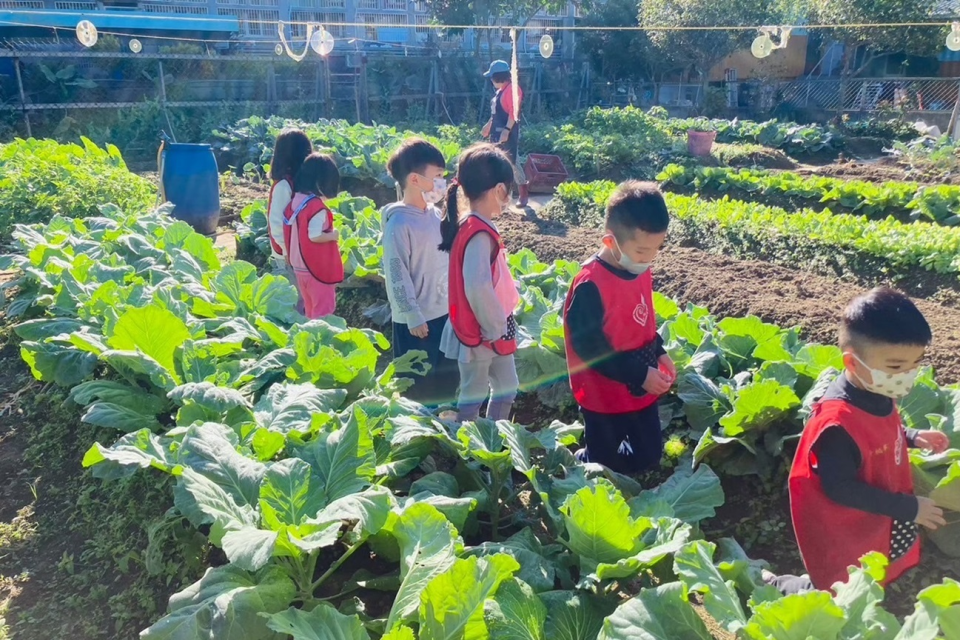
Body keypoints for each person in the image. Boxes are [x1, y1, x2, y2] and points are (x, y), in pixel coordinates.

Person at [786, 287, 949, 592]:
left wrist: (913, 437)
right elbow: (840, 489)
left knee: (871, 573)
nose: (909, 374)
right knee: (842, 584)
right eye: (897, 367)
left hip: (878, 514)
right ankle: (787, 587)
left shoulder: (876, 389)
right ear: (852, 363)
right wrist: (908, 507)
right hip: (847, 524)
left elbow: (879, 432)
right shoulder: (835, 425)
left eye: (916, 363)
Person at [562, 181, 674, 475]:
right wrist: (640, 373)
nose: (648, 259)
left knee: (649, 456)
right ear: (610, 242)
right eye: (641, 251)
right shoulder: (589, 285)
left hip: (641, 385)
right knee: (603, 469)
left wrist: (660, 353)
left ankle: (618, 457)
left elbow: (644, 321)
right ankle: (585, 458)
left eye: (655, 250)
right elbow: (589, 348)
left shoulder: (640, 270)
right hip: (603, 394)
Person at [438, 143, 520, 422]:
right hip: (483, 330)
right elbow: (477, 286)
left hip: (490, 326)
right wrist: (494, 326)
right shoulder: (478, 231)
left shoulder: (473, 225)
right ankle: (469, 449)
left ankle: (494, 437)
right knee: (474, 393)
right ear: (499, 190)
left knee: (507, 387)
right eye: (508, 189)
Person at [381, 138, 460, 408]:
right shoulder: (399, 223)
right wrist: (412, 314)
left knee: (445, 379)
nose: (442, 183)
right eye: (437, 176)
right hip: (416, 323)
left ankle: (443, 430)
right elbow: (396, 272)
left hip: (442, 314)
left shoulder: (435, 215)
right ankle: (417, 436)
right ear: (415, 179)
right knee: (418, 385)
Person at [282, 152, 343, 319]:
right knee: (324, 313)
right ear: (321, 182)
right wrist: (333, 235)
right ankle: (322, 342)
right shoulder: (317, 207)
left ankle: (308, 341)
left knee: (309, 310)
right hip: (317, 270)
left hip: (300, 268)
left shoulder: (297, 200)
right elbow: (314, 236)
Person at [267, 128, 313, 313]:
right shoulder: (284, 187)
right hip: (287, 259)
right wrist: (288, 251)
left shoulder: (299, 184)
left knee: (304, 302)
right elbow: (276, 224)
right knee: (295, 304)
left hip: (300, 256)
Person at [481, 60, 529, 209]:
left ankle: (523, 193)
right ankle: (500, 196)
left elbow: (513, 113)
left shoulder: (513, 90)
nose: (490, 80)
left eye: (492, 77)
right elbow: (495, 114)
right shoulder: (499, 92)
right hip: (496, 132)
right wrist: (488, 126)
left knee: (512, 162)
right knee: (496, 163)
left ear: (498, 76)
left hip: (508, 133)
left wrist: (506, 131)